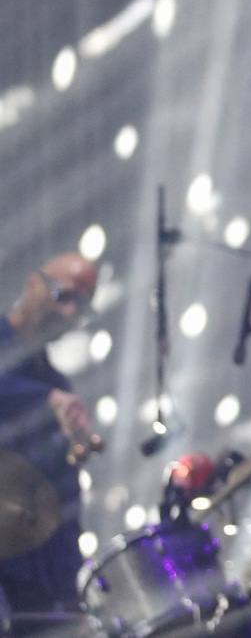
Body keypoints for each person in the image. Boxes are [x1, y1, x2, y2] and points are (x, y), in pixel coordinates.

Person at [0, 252, 98, 615]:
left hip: (41, 577)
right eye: (64, 296)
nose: (70, 314)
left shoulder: (57, 382)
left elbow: (63, 498)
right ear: (32, 284)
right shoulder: (51, 390)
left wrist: (75, 586)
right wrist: (46, 401)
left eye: (82, 307)